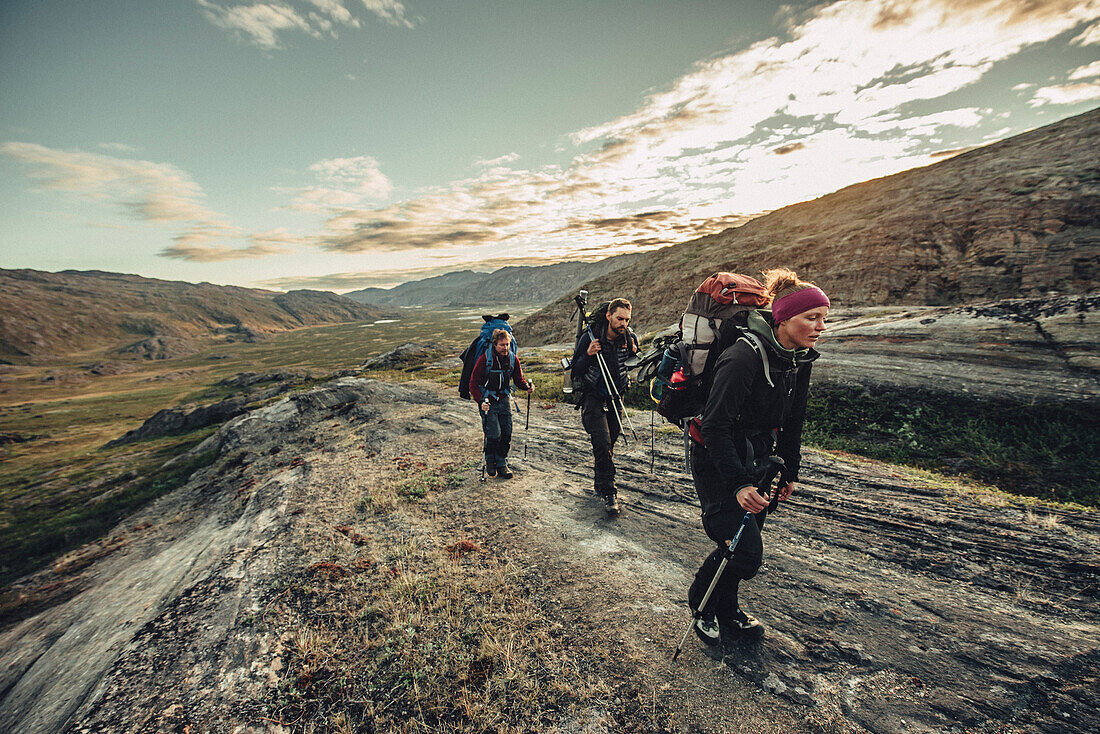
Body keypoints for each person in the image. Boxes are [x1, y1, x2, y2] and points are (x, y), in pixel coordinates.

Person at [687, 268, 828, 646]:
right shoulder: (743, 357)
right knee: (744, 552)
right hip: (717, 460)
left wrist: (790, 470)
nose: (820, 327)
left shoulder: (799, 359)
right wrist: (737, 484)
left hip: (759, 459)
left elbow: (793, 421)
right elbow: (714, 426)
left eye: (823, 319)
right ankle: (701, 606)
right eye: (811, 318)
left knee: (740, 540)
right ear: (782, 317)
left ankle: (727, 609)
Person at [570, 298, 639, 515]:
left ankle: (600, 482)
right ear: (609, 316)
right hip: (593, 397)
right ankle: (610, 493)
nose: (623, 324)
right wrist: (588, 354)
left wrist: (636, 353)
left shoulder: (629, 338)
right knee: (601, 442)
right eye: (619, 319)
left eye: (627, 320)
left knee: (609, 444)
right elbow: (575, 371)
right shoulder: (589, 337)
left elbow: (634, 363)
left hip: (617, 397)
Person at [469, 329, 533, 479]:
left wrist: (527, 387)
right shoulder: (484, 360)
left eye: (507, 344)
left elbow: (518, 379)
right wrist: (480, 401)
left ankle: (502, 463)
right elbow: (473, 383)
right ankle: (490, 461)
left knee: (506, 432)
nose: (505, 348)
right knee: (493, 434)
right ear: (494, 345)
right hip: (487, 400)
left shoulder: (513, 359)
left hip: (504, 399)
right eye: (502, 345)